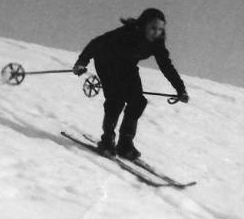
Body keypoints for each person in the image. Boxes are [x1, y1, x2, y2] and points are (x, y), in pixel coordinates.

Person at [73, 8, 188, 160]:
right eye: (153, 28)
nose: (156, 32)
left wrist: (181, 89)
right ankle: (107, 140)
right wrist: (82, 62)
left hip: (127, 66)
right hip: (107, 62)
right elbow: (97, 43)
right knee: (116, 100)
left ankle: (125, 143)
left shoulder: (157, 44)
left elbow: (166, 66)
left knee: (138, 102)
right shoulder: (127, 33)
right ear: (144, 25)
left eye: (160, 29)